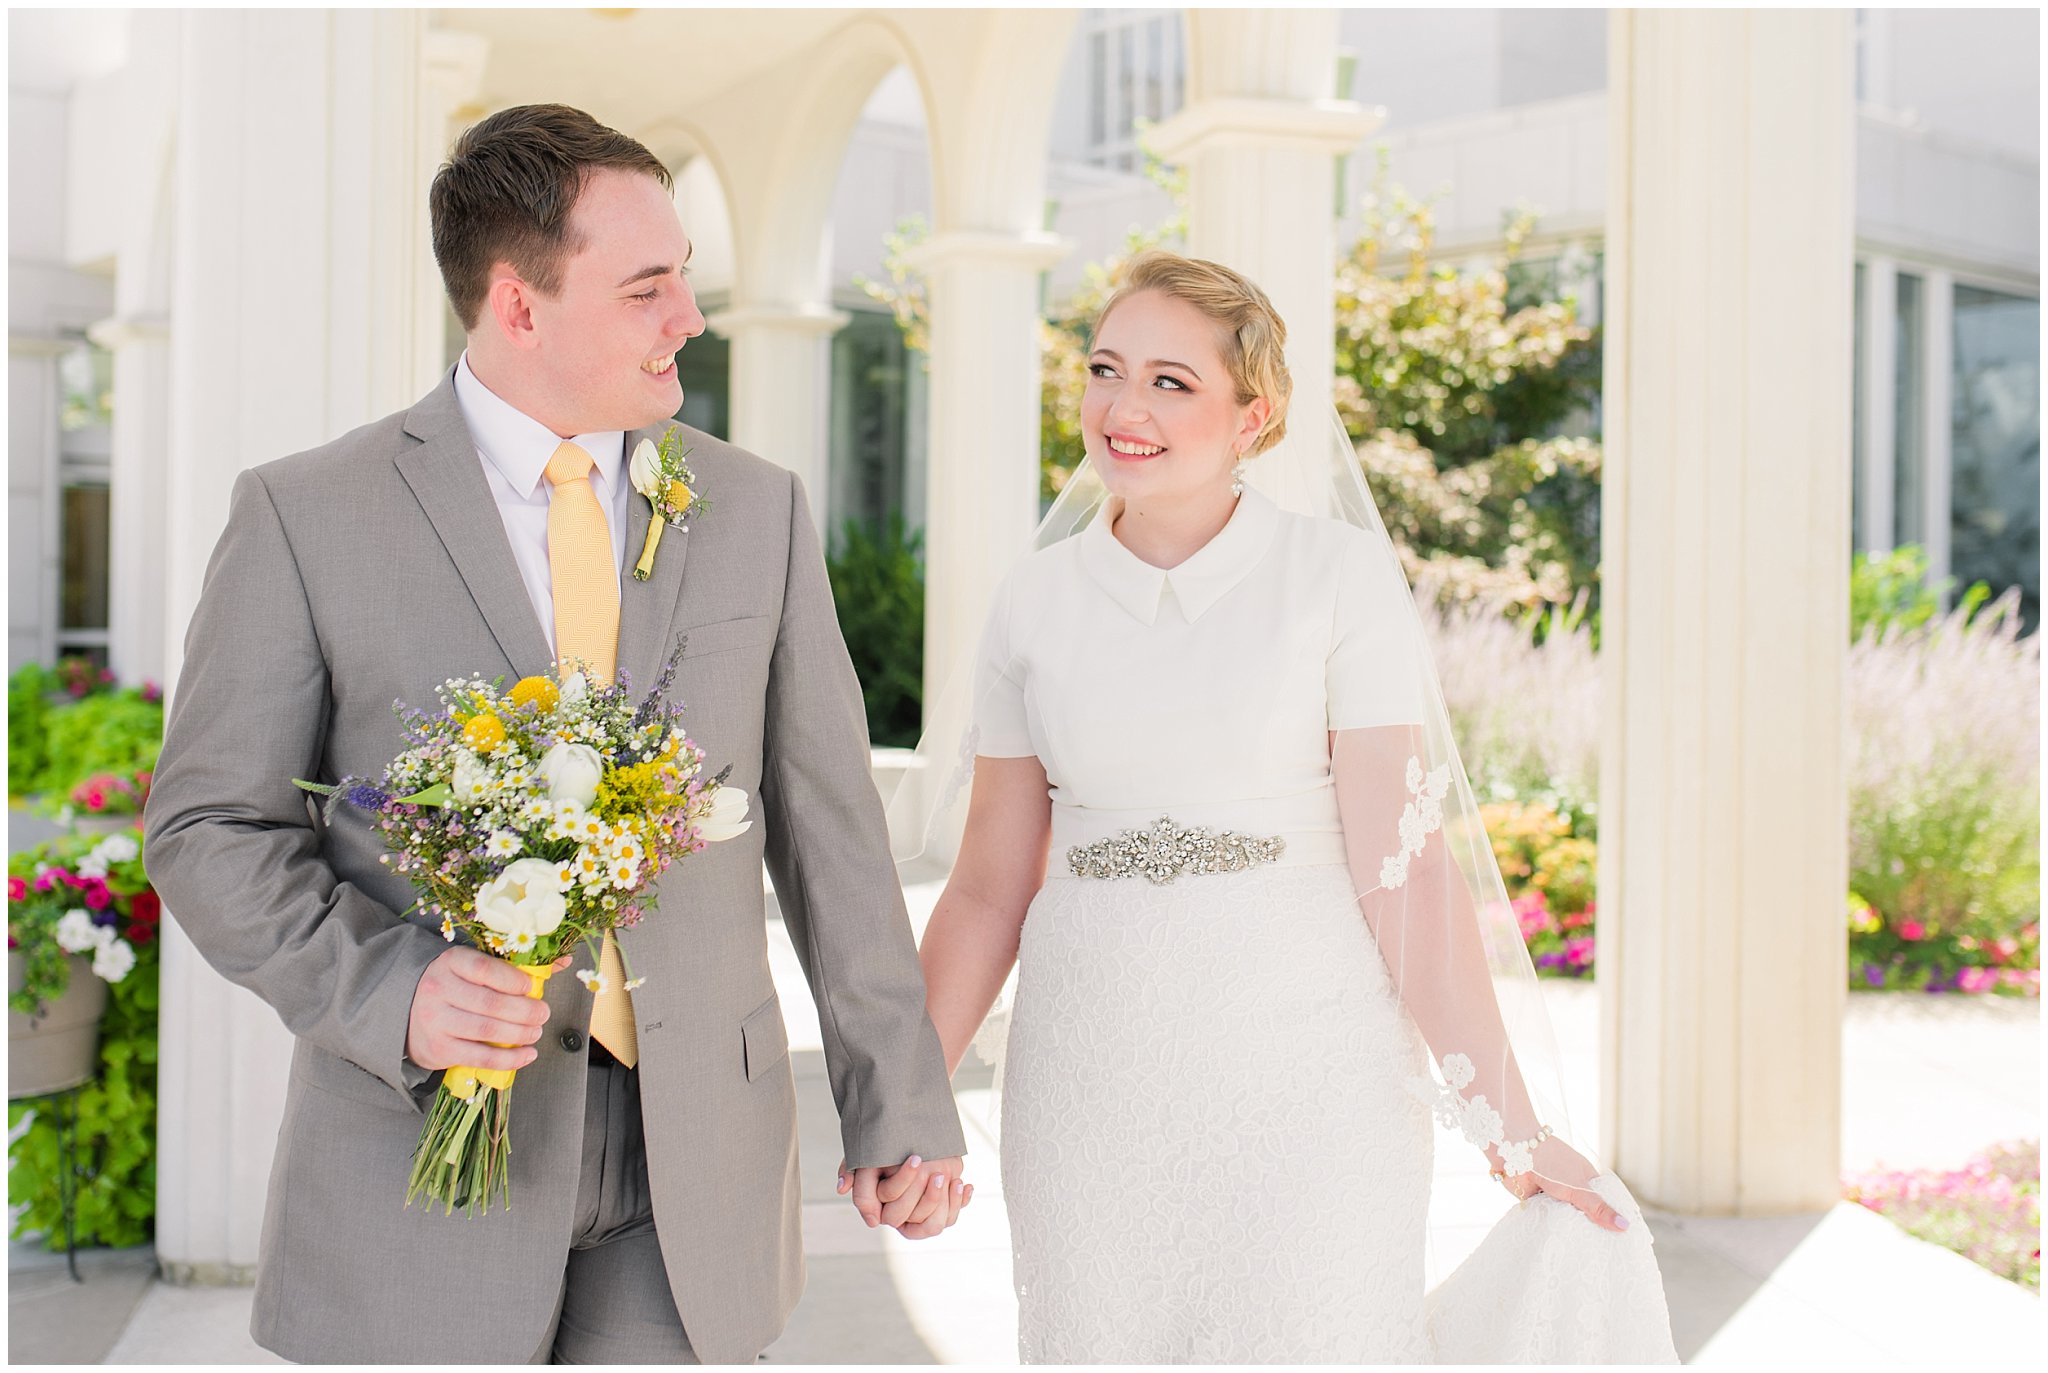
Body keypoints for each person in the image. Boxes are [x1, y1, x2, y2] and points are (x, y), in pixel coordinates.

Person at [144, 103, 969, 1364]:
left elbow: (829, 828)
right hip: (418, 1157)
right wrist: (394, 990)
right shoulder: (307, 514)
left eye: (684, 277)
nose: (688, 315)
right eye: (647, 287)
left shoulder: (753, 508)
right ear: (518, 306)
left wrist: (894, 1095)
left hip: (693, 1159)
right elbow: (208, 828)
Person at [905, 250, 1677, 1362]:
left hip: (1310, 1072)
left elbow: (1403, 868)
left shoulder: (1335, 577)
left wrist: (1509, 1122)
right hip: (1089, 1075)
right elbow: (986, 887)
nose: (1122, 407)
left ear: (1251, 416)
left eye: (1171, 382)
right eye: (1105, 368)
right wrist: (912, 1099)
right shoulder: (1033, 600)